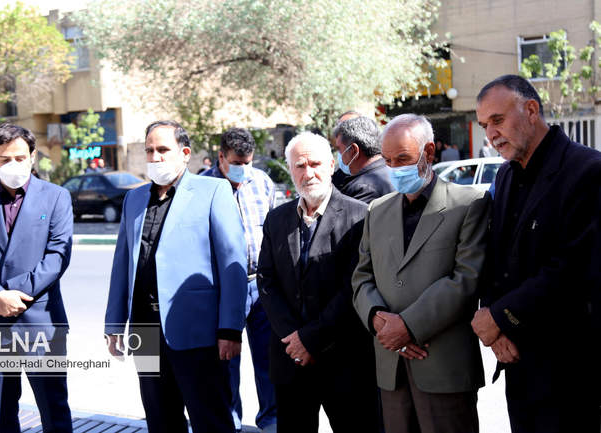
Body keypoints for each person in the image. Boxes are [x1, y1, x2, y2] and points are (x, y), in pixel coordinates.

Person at [472, 74, 601, 433]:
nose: (491, 134)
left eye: (497, 120)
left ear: (531, 110)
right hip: (517, 362)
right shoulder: (505, 176)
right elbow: (494, 255)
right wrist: (495, 326)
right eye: (484, 126)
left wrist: (500, 317)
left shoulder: (588, 170)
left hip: (570, 365)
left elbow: (573, 269)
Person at [104, 120, 247, 433]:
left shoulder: (213, 191)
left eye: (163, 149)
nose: (155, 157)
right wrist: (114, 324)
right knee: (160, 419)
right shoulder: (134, 200)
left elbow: (233, 262)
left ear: (184, 153)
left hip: (197, 331)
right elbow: (122, 265)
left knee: (211, 420)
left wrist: (231, 329)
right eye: (149, 151)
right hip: (145, 331)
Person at [352, 114, 490, 433]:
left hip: (443, 366)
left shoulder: (468, 204)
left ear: (428, 152)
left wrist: (408, 326)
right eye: (388, 161)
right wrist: (379, 320)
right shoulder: (378, 210)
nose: (394, 169)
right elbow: (361, 277)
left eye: (403, 159)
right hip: (391, 367)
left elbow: (465, 279)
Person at [257, 132, 380, 433]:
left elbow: (353, 286)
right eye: (300, 166)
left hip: (344, 360)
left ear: (331, 166)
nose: (308, 173)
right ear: (290, 170)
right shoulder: (277, 219)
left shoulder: (359, 216)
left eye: (315, 164)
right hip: (290, 359)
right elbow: (267, 281)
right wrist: (293, 338)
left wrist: (310, 339)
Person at [0, 123, 74, 432]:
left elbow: (57, 258)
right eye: (5, 159)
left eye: (20, 158)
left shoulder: (56, 197)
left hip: (41, 323)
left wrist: (10, 295)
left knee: (54, 413)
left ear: (33, 157)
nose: (14, 165)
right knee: (1, 415)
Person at [201, 127, 278, 433]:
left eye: (247, 162)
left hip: (261, 286)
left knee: (269, 361)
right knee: (226, 363)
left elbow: (275, 233)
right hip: (221, 291)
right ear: (221, 157)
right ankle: (230, 423)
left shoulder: (262, 182)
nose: (243, 169)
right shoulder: (202, 188)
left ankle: (271, 421)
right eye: (236, 163)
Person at [332, 116, 394, 203]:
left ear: (354, 150)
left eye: (339, 149)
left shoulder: (362, 188)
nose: (339, 155)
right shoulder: (393, 170)